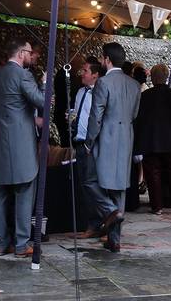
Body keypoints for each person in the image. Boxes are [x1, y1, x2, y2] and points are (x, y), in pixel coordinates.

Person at [0, 37, 45, 257]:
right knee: (24, 190)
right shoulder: (23, 75)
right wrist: (45, 85)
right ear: (20, 54)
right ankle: (21, 244)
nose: (31, 56)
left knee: (0, 192)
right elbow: (42, 102)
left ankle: (0, 244)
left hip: (1, 139)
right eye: (29, 52)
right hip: (21, 141)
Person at [85, 42, 141, 253]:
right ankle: (115, 240)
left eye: (101, 58)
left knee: (91, 180)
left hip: (105, 138)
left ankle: (110, 211)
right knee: (119, 188)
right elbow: (134, 114)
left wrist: (89, 142)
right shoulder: (135, 85)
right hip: (126, 137)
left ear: (107, 59)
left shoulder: (103, 83)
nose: (100, 61)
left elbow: (96, 116)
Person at [134, 64, 171, 214]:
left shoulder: (145, 96)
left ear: (152, 78)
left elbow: (138, 119)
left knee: (153, 173)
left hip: (150, 140)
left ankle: (157, 206)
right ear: (166, 78)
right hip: (170, 141)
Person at [69, 56, 102, 238]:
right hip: (79, 142)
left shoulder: (99, 93)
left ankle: (98, 223)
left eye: (86, 71)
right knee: (83, 185)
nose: (82, 73)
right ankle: (90, 223)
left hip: (92, 145)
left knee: (92, 184)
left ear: (95, 75)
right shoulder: (81, 92)